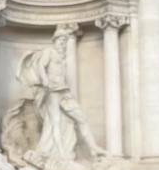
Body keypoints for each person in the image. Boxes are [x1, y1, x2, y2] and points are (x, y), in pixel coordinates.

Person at [17, 28, 104, 160]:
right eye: (61, 40)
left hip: (63, 91)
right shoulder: (49, 52)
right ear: (55, 40)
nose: (62, 43)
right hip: (52, 91)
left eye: (65, 40)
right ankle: (61, 153)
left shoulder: (62, 56)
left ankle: (93, 148)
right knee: (55, 122)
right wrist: (45, 79)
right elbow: (41, 65)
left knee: (81, 118)